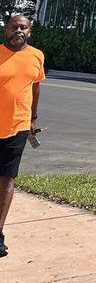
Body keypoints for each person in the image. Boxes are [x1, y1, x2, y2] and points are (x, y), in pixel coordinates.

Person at [0, 15, 45, 259]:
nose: (19, 30)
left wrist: (32, 120)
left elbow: (36, 87)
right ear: (5, 30)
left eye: (24, 27)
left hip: (16, 127)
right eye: (14, 27)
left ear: (29, 31)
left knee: (6, 180)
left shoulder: (37, 56)